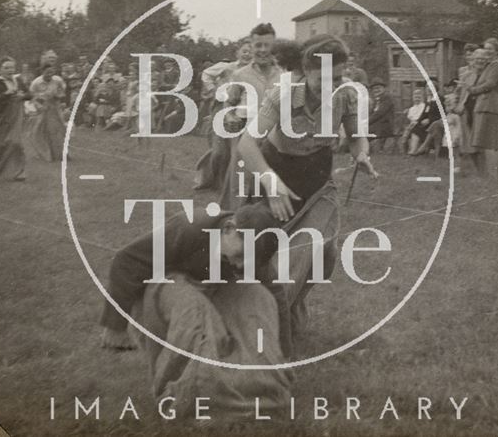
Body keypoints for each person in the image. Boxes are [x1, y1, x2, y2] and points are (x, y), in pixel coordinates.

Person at [237, 34, 378, 357]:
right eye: (323, 78)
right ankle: (261, 325)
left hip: (318, 182)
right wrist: (271, 185)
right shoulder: (282, 95)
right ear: (305, 72)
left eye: (339, 77)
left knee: (318, 252)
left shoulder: (347, 97)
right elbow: (247, 144)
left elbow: (357, 137)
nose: (332, 85)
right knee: (268, 250)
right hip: (276, 175)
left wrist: (362, 154)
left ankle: (285, 310)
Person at [100, 203, 292, 418]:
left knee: (259, 296)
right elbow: (126, 261)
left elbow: (275, 294)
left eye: (248, 261)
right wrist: (114, 326)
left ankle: (261, 385)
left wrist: (283, 354)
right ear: (229, 228)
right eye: (240, 255)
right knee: (194, 312)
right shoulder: (189, 227)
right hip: (162, 290)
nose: (240, 265)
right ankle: (183, 394)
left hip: (208, 290)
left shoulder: (254, 248)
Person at [219, 23, 282, 209]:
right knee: (239, 188)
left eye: (267, 45)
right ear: (252, 46)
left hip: (275, 140)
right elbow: (229, 104)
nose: (262, 50)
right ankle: (231, 226)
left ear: (274, 47)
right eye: (258, 45)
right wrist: (230, 117)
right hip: (246, 137)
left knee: (270, 190)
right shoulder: (240, 75)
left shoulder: (285, 75)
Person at [194, 38, 254, 191]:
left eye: (251, 52)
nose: (247, 55)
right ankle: (208, 179)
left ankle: (224, 185)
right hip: (221, 108)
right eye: (244, 51)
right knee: (219, 151)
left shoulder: (254, 71)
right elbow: (206, 74)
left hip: (241, 111)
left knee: (235, 152)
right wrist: (214, 90)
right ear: (237, 53)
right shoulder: (227, 67)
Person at [464, 37, 498, 178]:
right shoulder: (487, 66)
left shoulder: (496, 65)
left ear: (497, 51)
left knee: (490, 142)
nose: (487, 52)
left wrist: (473, 90)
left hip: (490, 106)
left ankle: (493, 175)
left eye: (490, 49)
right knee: (479, 142)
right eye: (485, 49)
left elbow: (490, 84)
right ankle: (484, 175)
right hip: (482, 106)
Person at [0, 56, 29, 181]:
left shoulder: (18, 80)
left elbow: (30, 94)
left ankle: (19, 172)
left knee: (16, 142)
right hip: (1, 118)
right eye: (6, 68)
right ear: (0, 70)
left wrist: (23, 96)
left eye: (12, 67)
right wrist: (6, 94)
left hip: (16, 116)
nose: (10, 70)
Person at [27, 63, 66, 162]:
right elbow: (31, 96)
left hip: (54, 107)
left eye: (51, 72)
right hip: (42, 108)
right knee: (40, 130)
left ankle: (58, 154)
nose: (49, 74)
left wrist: (58, 96)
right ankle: (44, 153)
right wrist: (38, 105)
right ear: (42, 71)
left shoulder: (57, 80)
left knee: (57, 129)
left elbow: (62, 92)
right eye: (47, 72)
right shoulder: (36, 82)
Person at [368, 77, 395, 153]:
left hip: (385, 127)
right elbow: (372, 114)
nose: (376, 90)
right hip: (376, 128)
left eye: (378, 88)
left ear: (384, 88)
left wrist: (365, 122)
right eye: (374, 89)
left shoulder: (387, 98)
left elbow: (379, 113)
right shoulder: (376, 100)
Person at [399, 88, 427, 154]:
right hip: (411, 124)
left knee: (411, 130)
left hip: (420, 124)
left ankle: (413, 150)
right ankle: (404, 150)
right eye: (415, 97)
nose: (417, 99)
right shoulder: (412, 108)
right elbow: (409, 118)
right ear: (413, 98)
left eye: (419, 97)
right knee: (406, 133)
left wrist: (415, 122)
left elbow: (421, 117)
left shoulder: (423, 106)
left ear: (422, 98)